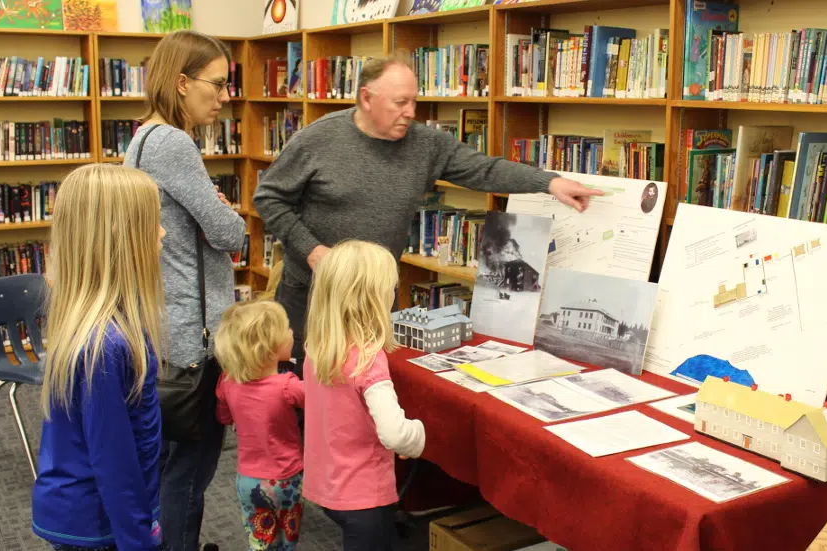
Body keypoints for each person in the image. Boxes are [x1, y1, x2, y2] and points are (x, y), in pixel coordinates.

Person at [253, 55, 604, 373]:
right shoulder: (317, 140)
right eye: (400, 103)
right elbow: (269, 198)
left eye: (414, 102)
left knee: (370, 388)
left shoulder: (424, 144)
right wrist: (312, 252)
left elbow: (483, 169)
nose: (410, 112)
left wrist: (549, 182)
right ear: (366, 98)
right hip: (313, 292)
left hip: (375, 295)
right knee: (302, 391)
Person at [124, 29, 247, 551]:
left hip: (166, 321)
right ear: (181, 83)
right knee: (188, 470)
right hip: (192, 335)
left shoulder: (144, 136)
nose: (224, 97)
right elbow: (230, 235)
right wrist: (225, 212)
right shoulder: (174, 144)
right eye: (216, 85)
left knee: (172, 461)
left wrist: (210, 208)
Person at [32, 163, 167, 551]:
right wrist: (139, 540)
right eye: (152, 223)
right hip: (98, 524)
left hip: (99, 514)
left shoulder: (104, 325)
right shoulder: (103, 345)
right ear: (118, 235)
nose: (163, 233)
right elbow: (114, 462)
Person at [302, 240, 426, 551]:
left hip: (326, 485)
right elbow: (396, 434)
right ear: (373, 300)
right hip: (365, 497)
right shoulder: (369, 360)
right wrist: (418, 435)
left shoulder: (318, 348)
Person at [214, 300, 305, 550]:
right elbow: (319, 400)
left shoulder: (227, 382)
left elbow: (224, 417)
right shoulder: (287, 385)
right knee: (288, 541)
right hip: (288, 479)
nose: (292, 333)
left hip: (249, 481)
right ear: (272, 347)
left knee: (260, 540)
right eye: (287, 329)